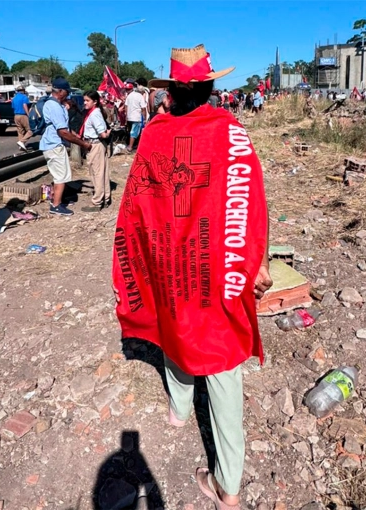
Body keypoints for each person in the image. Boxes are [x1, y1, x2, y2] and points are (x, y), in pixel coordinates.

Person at [112, 44, 272, 509]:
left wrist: (135, 260)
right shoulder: (232, 133)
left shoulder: (156, 134)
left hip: (170, 264)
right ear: (210, 88)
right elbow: (250, 203)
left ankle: (179, 411)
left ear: (171, 93)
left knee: (172, 330)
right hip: (217, 268)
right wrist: (253, 261)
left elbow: (136, 207)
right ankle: (229, 488)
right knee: (222, 366)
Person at [39, 78, 91, 216]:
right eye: (66, 92)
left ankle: (57, 199)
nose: (67, 95)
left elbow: (65, 128)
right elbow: (62, 131)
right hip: (54, 144)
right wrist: (83, 144)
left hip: (52, 143)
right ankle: (55, 206)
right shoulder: (54, 106)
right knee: (60, 177)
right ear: (60, 91)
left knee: (60, 174)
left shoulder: (55, 104)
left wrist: (77, 136)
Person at [80, 91, 112, 212]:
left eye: (87, 100)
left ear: (95, 101)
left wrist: (107, 133)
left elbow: (103, 134)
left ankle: (97, 201)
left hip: (95, 145)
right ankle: (105, 198)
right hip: (95, 144)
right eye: (84, 100)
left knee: (97, 173)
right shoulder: (93, 113)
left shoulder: (94, 114)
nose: (85, 103)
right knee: (100, 172)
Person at [125, 82, 147, 153]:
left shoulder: (128, 96)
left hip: (130, 117)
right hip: (136, 117)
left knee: (131, 132)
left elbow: (126, 107)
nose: (127, 91)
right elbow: (143, 108)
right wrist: (144, 118)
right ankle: (130, 147)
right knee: (134, 133)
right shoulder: (139, 96)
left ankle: (133, 145)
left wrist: (126, 116)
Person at [12, 85, 32, 150]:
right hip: (23, 115)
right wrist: (28, 114)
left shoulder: (14, 98)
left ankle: (21, 146)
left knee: (20, 131)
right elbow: (24, 105)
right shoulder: (24, 97)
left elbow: (13, 107)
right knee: (30, 130)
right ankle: (21, 142)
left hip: (16, 115)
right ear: (23, 90)